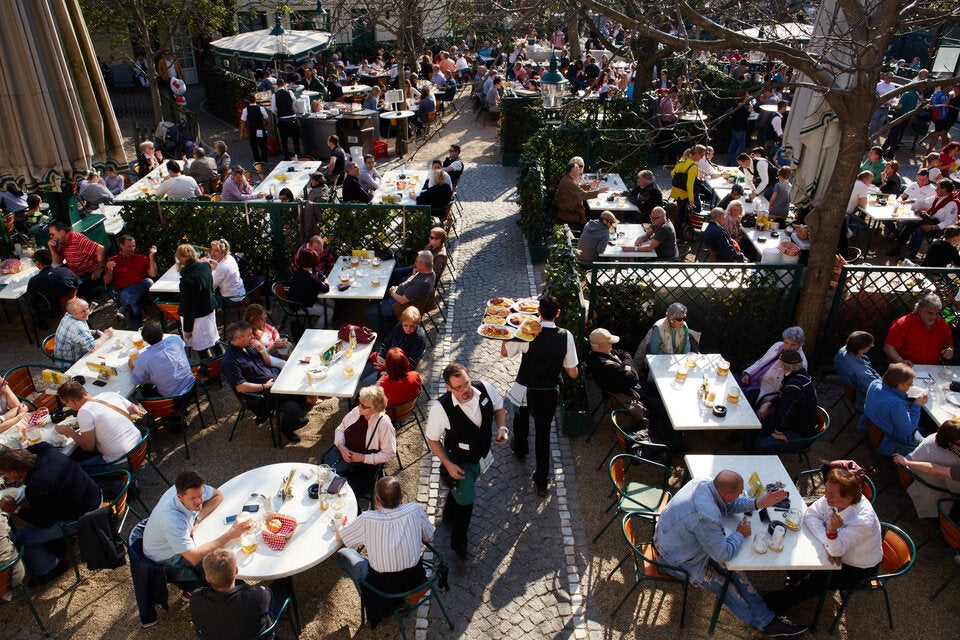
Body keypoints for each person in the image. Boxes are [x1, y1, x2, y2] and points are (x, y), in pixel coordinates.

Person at [653, 471, 806, 637]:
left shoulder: (703, 483)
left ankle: (768, 619)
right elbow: (723, 555)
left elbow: (728, 504)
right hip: (675, 560)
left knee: (736, 572)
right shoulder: (707, 516)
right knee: (728, 589)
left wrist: (758, 503)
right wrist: (740, 533)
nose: (741, 494)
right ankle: (766, 625)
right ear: (727, 494)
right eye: (739, 492)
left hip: (680, 544)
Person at [764, 468, 882, 617]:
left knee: (816, 581)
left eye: (831, 493)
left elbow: (836, 551)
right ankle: (794, 580)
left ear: (849, 498)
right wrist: (828, 540)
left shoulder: (862, 522)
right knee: (803, 552)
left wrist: (831, 536)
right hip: (836, 549)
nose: (825, 496)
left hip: (857, 568)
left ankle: (775, 606)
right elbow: (810, 515)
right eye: (826, 490)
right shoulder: (835, 497)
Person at [426, 363, 509, 559]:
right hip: (459, 463)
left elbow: (499, 408)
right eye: (459, 387)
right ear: (448, 388)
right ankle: (459, 547)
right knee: (466, 505)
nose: (466, 390)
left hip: (480, 457)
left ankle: (447, 515)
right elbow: (432, 439)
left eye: (467, 383)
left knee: (461, 494)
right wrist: (448, 465)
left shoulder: (484, 388)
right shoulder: (441, 408)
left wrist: (502, 428)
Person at [500, 295, 579, 496]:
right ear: (558, 314)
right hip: (548, 391)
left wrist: (507, 333)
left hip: (525, 386)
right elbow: (572, 372)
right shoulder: (566, 336)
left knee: (520, 418)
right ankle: (542, 481)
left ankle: (520, 448)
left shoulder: (528, 332)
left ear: (538, 312)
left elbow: (505, 353)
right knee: (543, 435)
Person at [336, 476, 434, 627]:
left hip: (382, 590)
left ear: (376, 500)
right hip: (415, 582)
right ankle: (403, 602)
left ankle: (369, 596)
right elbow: (428, 538)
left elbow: (340, 537)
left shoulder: (368, 519)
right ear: (401, 497)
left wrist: (344, 524)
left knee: (343, 554)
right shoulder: (415, 509)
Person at [0, 445, 101, 585]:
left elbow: (44, 522)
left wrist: (16, 509)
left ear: (15, 473)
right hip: (95, 495)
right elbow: (40, 445)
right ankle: (58, 544)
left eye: (5, 473)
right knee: (44, 507)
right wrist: (13, 456)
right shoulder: (49, 451)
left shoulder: (36, 486)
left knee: (20, 538)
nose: (5, 476)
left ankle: (50, 568)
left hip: (85, 517)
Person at [143, 470, 248, 591]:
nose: (199, 501)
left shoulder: (188, 488)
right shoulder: (172, 519)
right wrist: (230, 534)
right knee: (221, 570)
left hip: (177, 542)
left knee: (220, 550)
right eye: (193, 498)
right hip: (167, 562)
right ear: (179, 497)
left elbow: (218, 495)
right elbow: (193, 558)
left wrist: (197, 520)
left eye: (201, 495)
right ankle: (191, 586)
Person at [222, 321, 308, 443]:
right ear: (239, 337)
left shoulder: (247, 347)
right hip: (260, 396)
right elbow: (241, 387)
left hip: (274, 382)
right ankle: (286, 429)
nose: (252, 337)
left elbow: (267, 363)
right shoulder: (230, 360)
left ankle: (293, 419)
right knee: (294, 402)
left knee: (300, 386)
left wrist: (262, 349)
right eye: (249, 334)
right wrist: (264, 386)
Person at [190, 548, 293, 640]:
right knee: (282, 586)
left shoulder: (195, 599)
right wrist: (262, 589)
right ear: (236, 571)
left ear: (207, 578)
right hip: (263, 636)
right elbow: (269, 595)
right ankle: (285, 582)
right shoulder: (257, 597)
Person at [585, 328, 659, 436]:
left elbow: (624, 353)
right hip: (625, 396)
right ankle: (667, 441)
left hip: (629, 387)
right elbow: (633, 379)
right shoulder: (604, 365)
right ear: (601, 346)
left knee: (657, 389)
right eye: (609, 343)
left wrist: (627, 366)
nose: (612, 345)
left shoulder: (601, 352)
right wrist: (629, 368)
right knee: (661, 407)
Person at [54, 380, 142, 471]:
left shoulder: (84, 412)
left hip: (122, 461)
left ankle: (115, 482)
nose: (67, 406)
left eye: (65, 403)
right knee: (82, 453)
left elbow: (88, 447)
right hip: (140, 446)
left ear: (72, 402)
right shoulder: (109, 394)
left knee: (75, 471)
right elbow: (135, 410)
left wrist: (69, 431)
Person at [747, 350, 819, 453]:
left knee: (760, 446)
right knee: (753, 423)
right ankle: (751, 451)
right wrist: (770, 403)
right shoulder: (801, 375)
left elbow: (785, 411)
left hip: (799, 431)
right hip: (795, 422)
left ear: (784, 367)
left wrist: (778, 432)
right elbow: (784, 397)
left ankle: (755, 457)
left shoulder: (794, 386)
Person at [332, 386, 396, 499]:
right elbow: (340, 429)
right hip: (344, 458)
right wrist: (341, 447)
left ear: (375, 409)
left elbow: (389, 454)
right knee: (326, 484)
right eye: (360, 402)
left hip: (365, 467)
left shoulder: (384, 424)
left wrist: (362, 458)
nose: (359, 407)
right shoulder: (356, 411)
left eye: (364, 406)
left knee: (346, 495)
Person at [893, 420, 960, 518]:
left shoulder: (935, 436)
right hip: (930, 493)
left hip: (913, 479)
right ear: (950, 443)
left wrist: (907, 463)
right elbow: (954, 489)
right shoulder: (953, 462)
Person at [862, 363, 925, 456]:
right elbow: (908, 431)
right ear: (900, 386)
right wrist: (917, 405)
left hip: (879, 428)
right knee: (931, 443)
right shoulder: (896, 404)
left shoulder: (875, 383)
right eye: (910, 384)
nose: (911, 386)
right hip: (891, 442)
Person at [892, 178, 960, 259]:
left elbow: (948, 222)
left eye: (938, 188)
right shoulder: (939, 197)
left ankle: (911, 254)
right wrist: (908, 201)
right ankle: (898, 246)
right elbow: (924, 201)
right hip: (932, 221)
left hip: (942, 228)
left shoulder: (952, 204)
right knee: (911, 223)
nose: (936, 190)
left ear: (944, 190)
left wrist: (932, 227)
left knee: (919, 231)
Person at [369, 251, 435, 332]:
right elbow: (410, 285)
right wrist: (397, 288)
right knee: (376, 295)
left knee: (370, 311)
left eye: (416, 262)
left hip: (399, 306)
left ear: (423, 264)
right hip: (399, 295)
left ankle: (388, 333)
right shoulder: (429, 273)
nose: (415, 264)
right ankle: (388, 320)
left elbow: (402, 301)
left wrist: (393, 293)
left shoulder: (421, 283)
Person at [741, 326, 808, 407]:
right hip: (754, 379)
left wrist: (771, 403)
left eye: (793, 345)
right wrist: (748, 373)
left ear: (800, 345)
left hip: (766, 391)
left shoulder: (799, 363)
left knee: (743, 399)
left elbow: (787, 389)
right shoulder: (778, 345)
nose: (788, 347)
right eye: (786, 342)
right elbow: (761, 361)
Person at [362, 306, 427, 386]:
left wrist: (387, 367)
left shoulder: (419, 339)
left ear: (417, 324)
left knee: (365, 382)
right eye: (405, 325)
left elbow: (410, 366)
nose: (408, 328)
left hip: (397, 372)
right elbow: (386, 342)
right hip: (385, 361)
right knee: (360, 372)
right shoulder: (399, 327)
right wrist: (380, 356)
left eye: (411, 326)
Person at [883, 294, 954, 366]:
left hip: (933, 369)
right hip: (905, 370)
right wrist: (901, 361)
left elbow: (949, 345)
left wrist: (949, 351)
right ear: (920, 310)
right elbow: (889, 347)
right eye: (930, 313)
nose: (934, 317)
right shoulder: (903, 323)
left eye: (937, 313)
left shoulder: (942, 324)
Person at [104, 235, 157, 329]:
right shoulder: (113, 260)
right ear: (121, 246)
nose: (132, 249)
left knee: (149, 281)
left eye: (133, 246)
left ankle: (124, 308)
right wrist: (109, 270)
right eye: (129, 246)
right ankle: (136, 333)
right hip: (125, 290)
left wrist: (151, 256)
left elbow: (152, 274)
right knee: (135, 306)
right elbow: (106, 282)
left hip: (141, 288)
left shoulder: (141, 258)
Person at [129, 321, 195, 397]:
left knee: (145, 388)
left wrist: (132, 367)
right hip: (192, 386)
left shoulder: (144, 358)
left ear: (144, 340)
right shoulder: (175, 339)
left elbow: (135, 380)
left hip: (173, 399)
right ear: (162, 334)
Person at [176, 244, 219, 355]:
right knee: (213, 340)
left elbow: (189, 307)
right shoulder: (205, 266)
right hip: (209, 309)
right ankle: (222, 362)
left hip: (198, 317)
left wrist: (187, 329)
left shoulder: (186, 281)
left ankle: (209, 369)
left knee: (201, 347)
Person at [25, 249, 81, 329]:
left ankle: (42, 324)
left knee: (33, 300)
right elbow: (78, 283)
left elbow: (29, 302)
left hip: (54, 310)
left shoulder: (35, 280)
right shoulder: (65, 270)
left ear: (37, 263)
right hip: (73, 302)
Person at [53, 298, 114, 368]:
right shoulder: (77, 326)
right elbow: (92, 347)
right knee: (106, 356)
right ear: (72, 313)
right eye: (83, 311)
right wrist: (106, 335)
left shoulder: (68, 315)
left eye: (87, 309)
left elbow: (77, 334)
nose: (87, 313)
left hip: (66, 357)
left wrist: (96, 331)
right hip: (70, 365)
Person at [833, 331, 881, 411]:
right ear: (861, 348)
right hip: (861, 399)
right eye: (870, 345)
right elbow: (876, 391)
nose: (871, 346)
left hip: (849, 386)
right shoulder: (861, 372)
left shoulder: (843, 351)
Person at [554, 161, 607, 228]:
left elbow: (577, 189)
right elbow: (582, 195)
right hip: (569, 214)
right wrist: (598, 192)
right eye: (577, 168)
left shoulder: (569, 179)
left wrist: (590, 186)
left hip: (570, 209)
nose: (579, 169)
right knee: (593, 215)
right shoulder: (569, 182)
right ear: (572, 170)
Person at [288, 249, 332, 325]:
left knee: (331, 303)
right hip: (300, 306)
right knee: (329, 312)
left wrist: (322, 278)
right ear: (314, 261)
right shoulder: (309, 277)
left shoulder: (303, 269)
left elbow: (319, 273)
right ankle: (316, 330)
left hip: (304, 299)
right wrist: (324, 279)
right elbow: (326, 288)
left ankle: (327, 323)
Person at [671, 146, 703, 235]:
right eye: (701, 155)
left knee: (680, 215)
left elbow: (672, 174)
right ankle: (691, 232)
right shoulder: (693, 166)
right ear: (696, 154)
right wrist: (691, 200)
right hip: (687, 194)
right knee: (697, 211)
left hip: (678, 193)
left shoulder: (681, 162)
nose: (702, 158)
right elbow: (690, 185)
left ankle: (678, 235)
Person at [204, 239, 245, 306]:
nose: (212, 253)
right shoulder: (229, 257)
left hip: (232, 299)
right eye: (212, 249)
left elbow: (211, 286)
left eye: (216, 251)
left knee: (202, 298)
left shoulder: (222, 267)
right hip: (239, 293)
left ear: (223, 252)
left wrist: (209, 268)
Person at [270, 75, 301, 160]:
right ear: (284, 84)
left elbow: (273, 109)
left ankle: (286, 157)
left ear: (277, 85)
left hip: (282, 120)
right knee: (295, 140)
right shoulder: (289, 92)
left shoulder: (274, 96)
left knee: (284, 140)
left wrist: (279, 113)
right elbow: (294, 100)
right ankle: (298, 155)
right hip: (292, 119)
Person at [239, 94, 269, 164]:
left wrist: (241, 133)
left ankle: (257, 161)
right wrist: (266, 123)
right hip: (260, 129)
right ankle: (264, 159)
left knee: (254, 146)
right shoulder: (260, 108)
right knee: (263, 145)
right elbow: (266, 118)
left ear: (249, 101)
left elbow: (243, 122)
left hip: (252, 130)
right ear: (256, 99)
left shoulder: (245, 110)